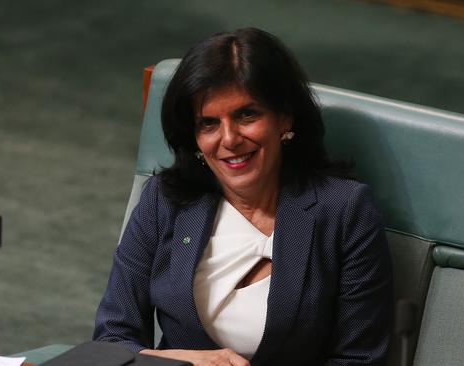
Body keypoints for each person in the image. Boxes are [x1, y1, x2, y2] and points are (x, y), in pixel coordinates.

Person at [93, 28, 393, 366]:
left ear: (284, 117)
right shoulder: (165, 201)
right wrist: (185, 362)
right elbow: (112, 340)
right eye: (208, 123)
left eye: (246, 115)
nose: (229, 139)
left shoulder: (345, 210)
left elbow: (359, 358)